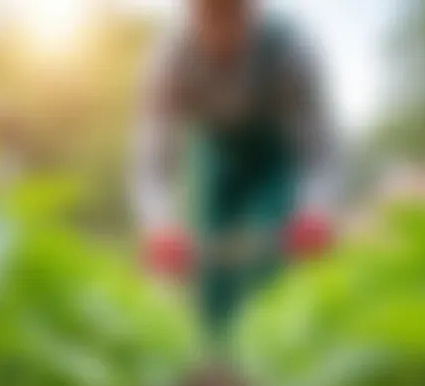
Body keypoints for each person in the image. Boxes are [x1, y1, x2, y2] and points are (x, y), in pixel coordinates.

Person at [133, 0, 337, 332]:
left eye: (231, 14)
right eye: (208, 15)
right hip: (214, 155)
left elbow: (320, 150)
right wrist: (160, 225)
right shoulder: (168, 60)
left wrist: (314, 210)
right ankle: (217, 362)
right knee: (212, 286)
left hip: (274, 156)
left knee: (274, 275)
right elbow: (153, 161)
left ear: (251, 10)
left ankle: (278, 345)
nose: (219, 30)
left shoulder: (291, 49)